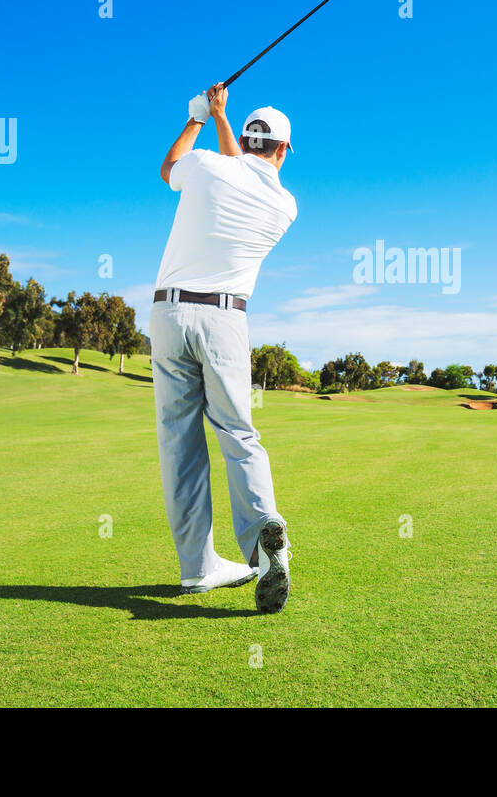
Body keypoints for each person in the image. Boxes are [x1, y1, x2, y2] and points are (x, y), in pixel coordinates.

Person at [151, 82, 296, 613]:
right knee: (237, 431)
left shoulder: (208, 166)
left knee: (179, 442)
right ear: (283, 150)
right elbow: (246, 174)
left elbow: (169, 169)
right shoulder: (285, 205)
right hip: (226, 318)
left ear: (245, 139)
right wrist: (220, 119)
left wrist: (199, 117)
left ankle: (198, 568)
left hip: (167, 314)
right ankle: (263, 537)